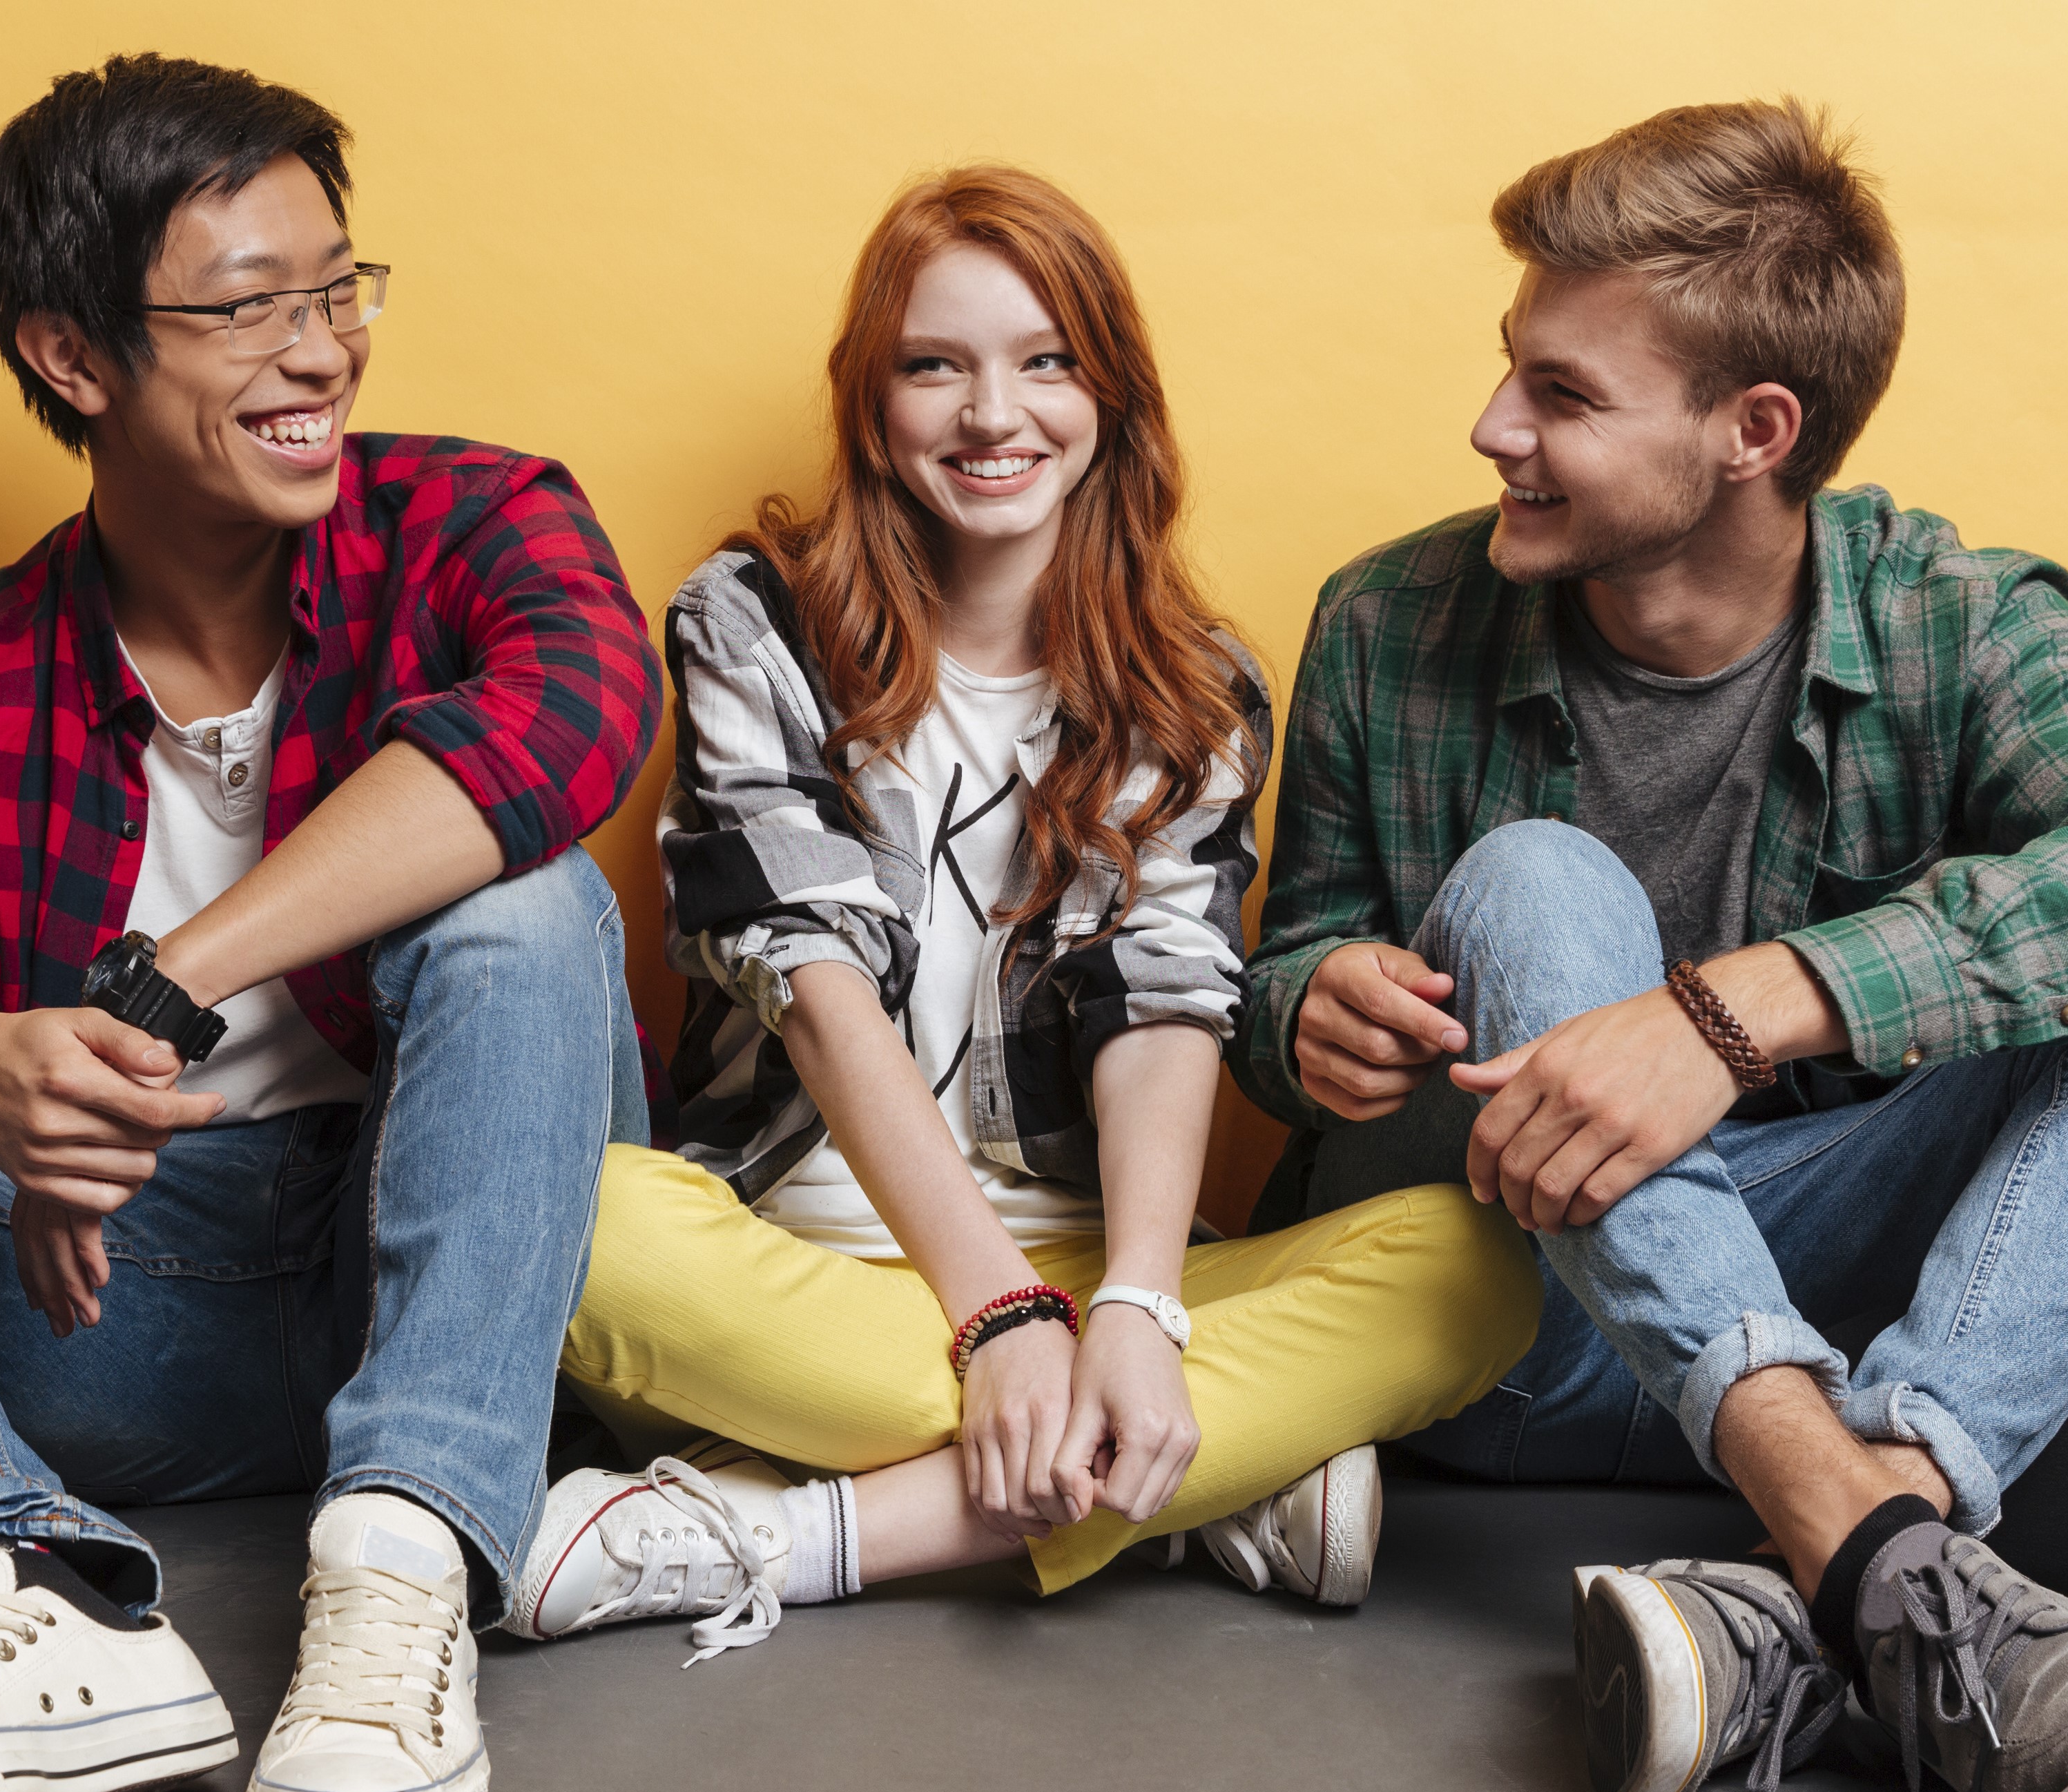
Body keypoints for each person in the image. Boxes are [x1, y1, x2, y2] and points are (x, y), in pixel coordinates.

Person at [0, 57, 653, 1792]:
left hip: (446, 1252)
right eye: (246, 306)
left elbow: (570, 724)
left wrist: (152, 987)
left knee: (525, 900)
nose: (318, 350)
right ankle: (28, 1603)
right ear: (72, 354)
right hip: (124, 1309)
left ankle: (404, 1555)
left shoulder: (474, 522)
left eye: (337, 289)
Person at [1228, 99, 2068, 1792]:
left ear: (1751, 430)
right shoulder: (1387, 620)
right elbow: (1276, 982)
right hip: (1485, 1321)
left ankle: (1857, 1549)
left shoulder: (1956, 616)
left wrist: (1735, 1009)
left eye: (1561, 395)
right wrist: (1307, 1010)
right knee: (1534, 877)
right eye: (1512, 371)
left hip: (1816, 1324)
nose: (1493, 428)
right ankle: (1872, 1544)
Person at [510, 168, 1536, 1664]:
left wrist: (1131, 1304)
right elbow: (809, 979)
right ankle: (1193, 1485)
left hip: (1099, 1275)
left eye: (1045, 361)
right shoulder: (753, 617)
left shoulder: (1196, 686)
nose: (994, 414)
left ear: (1110, 396)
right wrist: (994, 1320)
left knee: (1479, 1265)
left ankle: (788, 1531)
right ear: (872, 404)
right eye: (936, 365)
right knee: (576, 1224)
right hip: (792, 1274)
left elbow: (1166, 996)